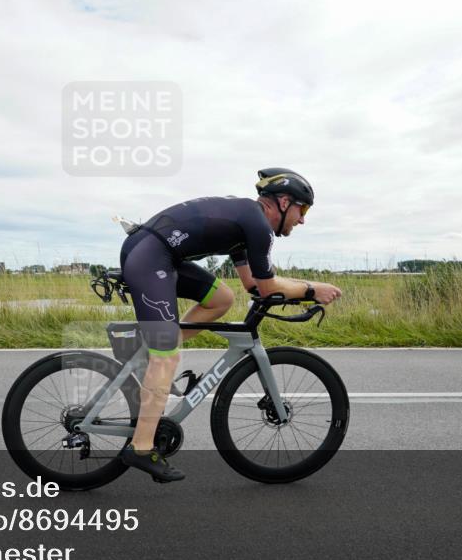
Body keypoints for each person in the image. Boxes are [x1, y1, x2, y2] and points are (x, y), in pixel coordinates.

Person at [117, 168, 343, 482]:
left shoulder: (245, 225)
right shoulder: (257, 225)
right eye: (302, 210)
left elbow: (253, 283)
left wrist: (299, 292)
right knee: (166, 355)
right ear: (282, 202)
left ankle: (156, 355)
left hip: (157, 253)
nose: (302, 219)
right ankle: (141, 447)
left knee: (221, 298)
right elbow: (267, 288)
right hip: (150, 256)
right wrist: (311, 289)